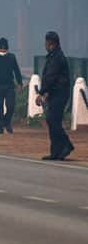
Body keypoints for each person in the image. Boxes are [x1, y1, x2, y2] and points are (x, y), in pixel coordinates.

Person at [37, 31, 74, 160]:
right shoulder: (53, 56)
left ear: (51, 43)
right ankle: (56, 152)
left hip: (60, 93)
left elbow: (51, 78)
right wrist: (47, 93)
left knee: (53, 120)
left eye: (46, 42)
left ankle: (67, 145)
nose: (45, 45)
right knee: (53, 121)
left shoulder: (57, 57)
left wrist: (41, 93)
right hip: (55, 93)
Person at [0, 37, 23, 134]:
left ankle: (6, 122)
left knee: (11, 106)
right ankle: (0, 127)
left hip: (9, 86)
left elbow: (16, 71)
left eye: (4, 47)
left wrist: (20, 83)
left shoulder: (11, 57)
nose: (3, 49)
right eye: (1, 47)